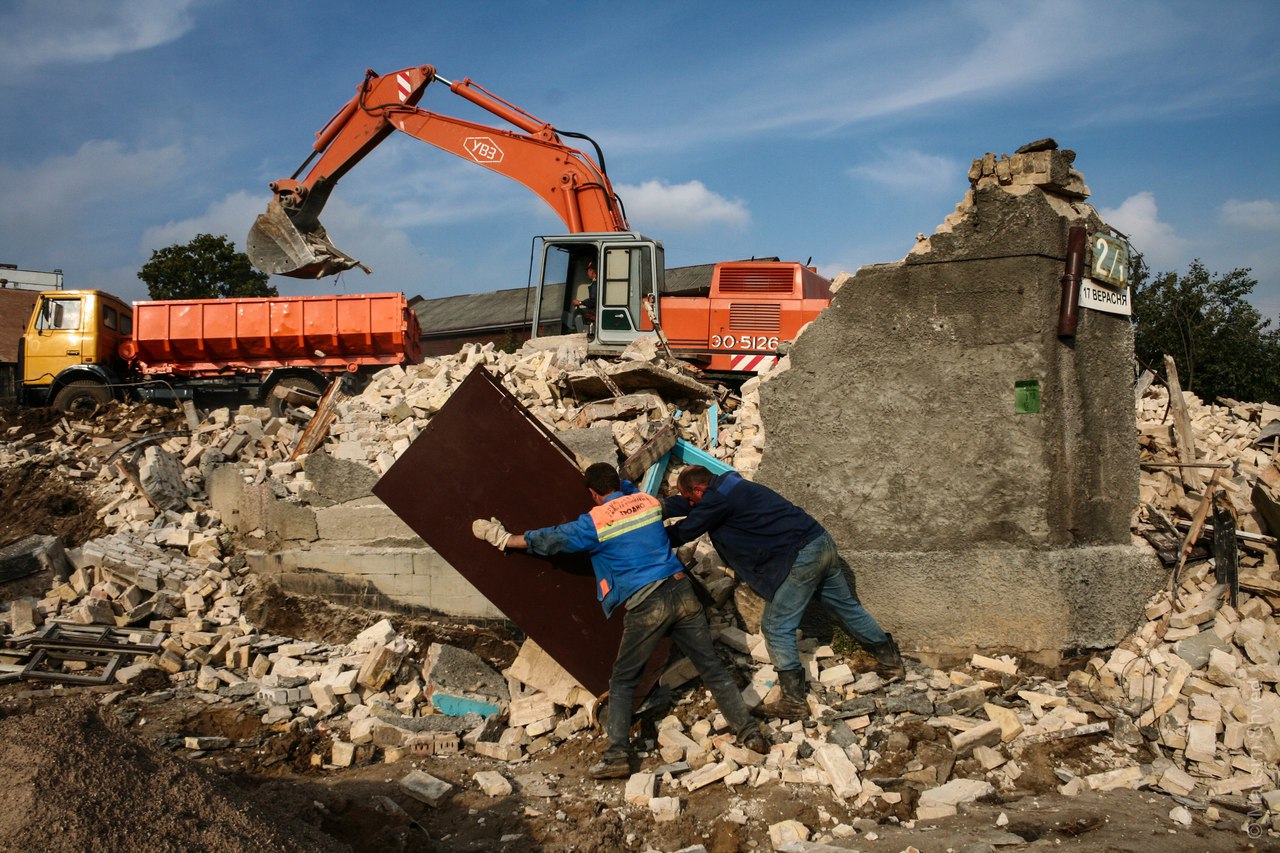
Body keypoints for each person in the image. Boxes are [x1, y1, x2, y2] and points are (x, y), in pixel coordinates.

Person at [472, 462, 768, 779]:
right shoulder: (649, 502)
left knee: (624, 680)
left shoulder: (594, 523)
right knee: (711, 667)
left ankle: (616, 756)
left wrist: (503, 539)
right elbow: (628, 495)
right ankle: (750, 733)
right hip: (681, 591)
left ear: (592, 493)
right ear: (618, 482)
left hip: (646, 603)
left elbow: (552, 539)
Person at [663, 465, 904, 721]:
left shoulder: (718, 500)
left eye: (691, 498)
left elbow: (685, 531)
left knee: (776, 626)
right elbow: (690, 505)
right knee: (846, 606)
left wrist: (646, 537)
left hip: (801, 558)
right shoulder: (728, 486)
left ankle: (793, 701)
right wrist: (657, 507)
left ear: (700, 489)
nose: (690, 503)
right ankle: (890, 662)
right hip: (820, 543)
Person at [570, 261, 597, 332]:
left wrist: (580, 302)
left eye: (588, 271)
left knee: (578, 312)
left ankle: (576, 331)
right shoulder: (596, 283)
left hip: (595, 312)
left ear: (592, 271)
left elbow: (593, 301)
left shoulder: (595, 284)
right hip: (595, 310)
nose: (587, 273)